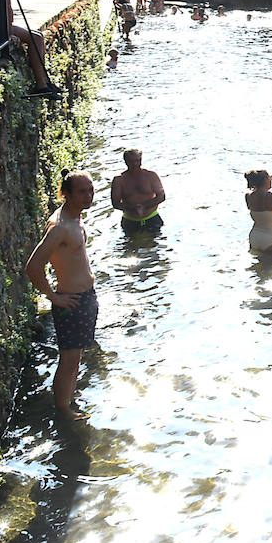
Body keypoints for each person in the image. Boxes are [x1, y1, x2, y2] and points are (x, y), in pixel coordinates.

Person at [24, 170, 98, 419]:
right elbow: (33, 267)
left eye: (90, 190)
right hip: (72, 301)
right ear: (66, 194)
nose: (88, 196)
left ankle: (67, 400)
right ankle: (64, 411)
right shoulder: (60, 227)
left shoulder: (74, 217)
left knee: (74, 358)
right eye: (82, 191)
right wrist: (53, 297)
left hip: (83, 298)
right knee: (69, 360)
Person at [4, 0, 60, 96]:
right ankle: (41, 86)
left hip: (5, 24)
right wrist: (9, 33)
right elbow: (6, 9)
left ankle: (45, 81)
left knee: (38, 36)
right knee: (35, 38)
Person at [110, 148, 165, 234]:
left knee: (155, 245)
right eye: (131, 161)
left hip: (152, 218)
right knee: (131, 246)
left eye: (137, 160)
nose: (135, 164)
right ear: (126, 162)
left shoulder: (151, 176)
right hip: (130, 220)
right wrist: (133, 208)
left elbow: (161, 196)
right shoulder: (119, 180)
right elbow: (115, 203)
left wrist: (144, 206)